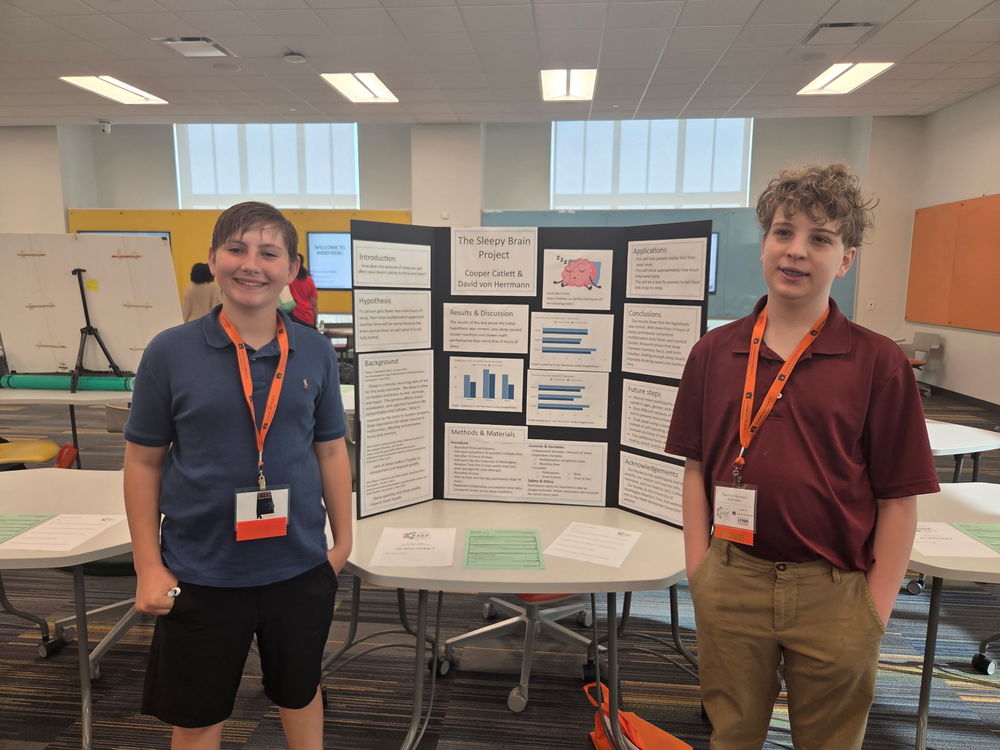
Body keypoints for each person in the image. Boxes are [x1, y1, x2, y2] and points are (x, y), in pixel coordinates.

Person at [665, 164, 939, 750]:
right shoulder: (713, 353)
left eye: (821, 238)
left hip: (837, 588)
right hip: (733, 579)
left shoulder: (878, 362)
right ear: (763, 243)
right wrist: (700, 571)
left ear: (845, 259)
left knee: (830, 741)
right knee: (732, 733)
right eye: (784, 232)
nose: (796, 252)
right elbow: (694, 469)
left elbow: (898, 500)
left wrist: (875, 608)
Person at [123, 201, 352, 750]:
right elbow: (142, 461)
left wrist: (341, 544)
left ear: (292, 269)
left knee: (300, 691)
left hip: (296, 564)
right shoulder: (170, 352)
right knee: (198, 712)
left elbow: (331, 452)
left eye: (269, 253)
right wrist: (148, 566)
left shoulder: (315, 351)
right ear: (212, 259)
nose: (252, 264)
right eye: (237, 249)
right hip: (201, 568)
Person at [288, 253, 318, 328]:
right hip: (308, 317)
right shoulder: (309, 280)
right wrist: (315, 320)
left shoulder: (290, 280)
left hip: (294, 316)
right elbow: (314, 303)